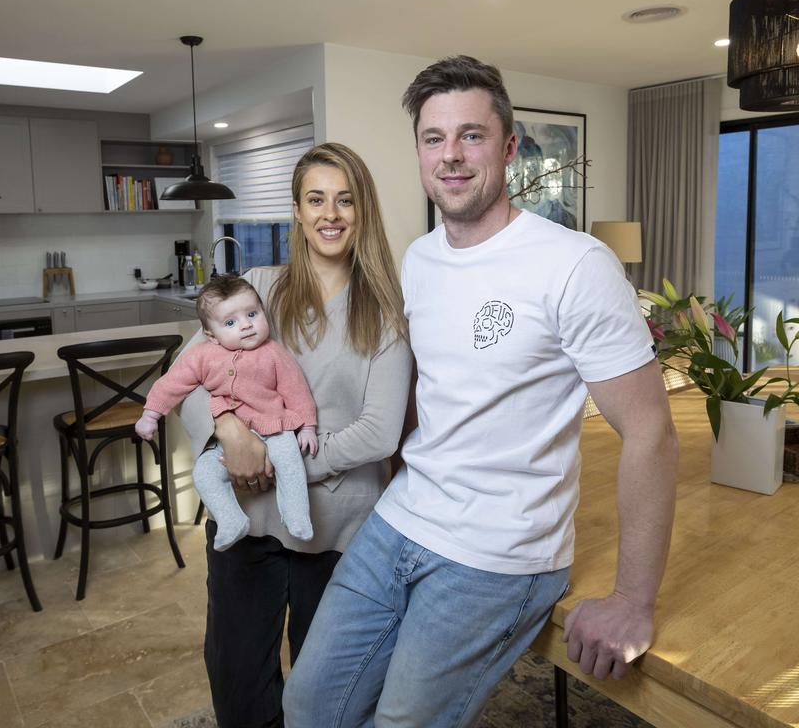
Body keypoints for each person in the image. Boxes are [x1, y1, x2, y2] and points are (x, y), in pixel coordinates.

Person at [283, 56, 679, 727]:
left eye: (472, 135)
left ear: (509, 146)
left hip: (500, 551)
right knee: (309, 703)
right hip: (403, 519)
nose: (453, 155)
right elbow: (426, 396)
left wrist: (633, 600)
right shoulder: (420, 259)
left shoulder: (574, 264)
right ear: (418, 153)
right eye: (434, 139)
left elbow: (651, 432)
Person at [177, 142, 412, 728]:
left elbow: (379, 434)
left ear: (363, 212)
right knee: (238, 689)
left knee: (322, 705)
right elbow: (185, 381)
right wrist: (228, 430)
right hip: (247, 525)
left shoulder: (385, 312)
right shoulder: (257, 288)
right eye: (316, 199)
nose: (330, 214)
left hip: (336, 537)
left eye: (345, 200)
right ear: (298, 211)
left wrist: (275, 463)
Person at [135, 275, 318, 551]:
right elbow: (172, 383)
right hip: (224, 441)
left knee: (290, 459)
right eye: (230, 323)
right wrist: (151, 414)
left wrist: (307, 427)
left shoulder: (273, 353)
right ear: (211, 334)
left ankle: (297, 515)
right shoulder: (201, 355)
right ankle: (231, 520)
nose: (246, 325)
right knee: (203, 474)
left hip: (273, 427)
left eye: (252, 314)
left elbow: (297, 390)